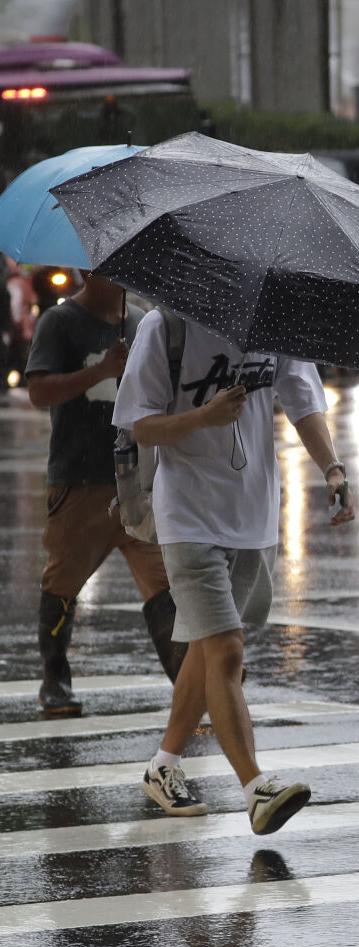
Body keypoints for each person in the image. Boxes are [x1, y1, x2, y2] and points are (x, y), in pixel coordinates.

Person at [113, 311, 355, 823]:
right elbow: (139, 422)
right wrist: (203, 416)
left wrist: (332, 468)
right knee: (227, 650)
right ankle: (256, 787)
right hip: (188, 515)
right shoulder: (165, 327)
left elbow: (303, 400)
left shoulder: (275, 323)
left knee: (208, 650)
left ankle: (163, 766)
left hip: (253, 516)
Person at [25, 272, 186, 718]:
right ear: (87, 271)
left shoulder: (141, 322)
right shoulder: (60, 322)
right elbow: (38, 390)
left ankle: (190, 684)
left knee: (165, 583)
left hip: (137, 480)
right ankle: (54, 680)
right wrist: (101, 370)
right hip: (80, 482)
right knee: (62, 583)